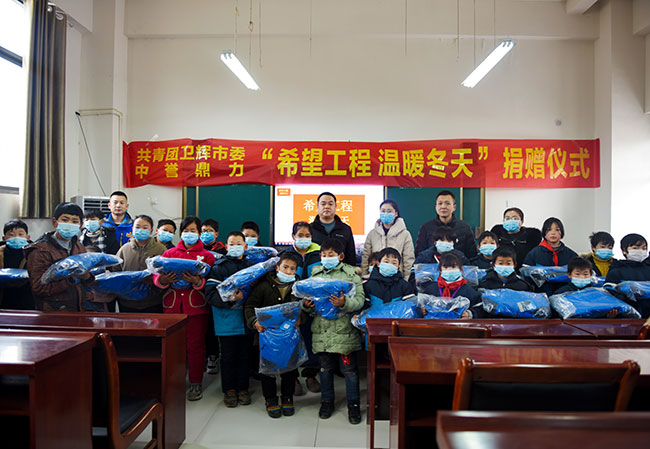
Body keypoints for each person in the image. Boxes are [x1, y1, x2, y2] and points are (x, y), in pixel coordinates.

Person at [153, 216, 216, 401]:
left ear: (199, 233)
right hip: (172, 307)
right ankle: (174, 382)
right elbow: (156, 277)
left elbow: (211, 282)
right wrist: (163, 279)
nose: (189, 234)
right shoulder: (169, 253)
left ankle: (196, 382)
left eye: (193, 231)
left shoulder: (207, 256)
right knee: (172, 347)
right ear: (181, 233)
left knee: (195, 346)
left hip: (196, 307)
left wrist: (197, 281)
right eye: (186, 231)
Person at [303, 238, 364, 424]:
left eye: (331, 254)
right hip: (322, 331)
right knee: (325, 369)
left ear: (341, 256)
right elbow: (308, 304)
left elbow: (360, 301)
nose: (326, 258)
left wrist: (344, 303)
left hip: (345, 331)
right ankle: (327, 402)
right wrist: (307, 305)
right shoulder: (315, 275)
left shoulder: (351, 275)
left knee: (349, 370)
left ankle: (354, 405)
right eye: (323, 254)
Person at [244, 252, 304, 418]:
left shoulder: (298, 288)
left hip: (289, 338)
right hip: (266, 337)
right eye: (285, 267)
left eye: (292, 269)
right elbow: (249, 306)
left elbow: (304, 309)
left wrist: (302, 317)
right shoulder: (264, 286)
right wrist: (254, 322)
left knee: (289, 370)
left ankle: (287, 397)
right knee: (268, 370)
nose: (288, 271)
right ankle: (270, 399)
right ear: (277, 267)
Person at [205, 232, 255, 408]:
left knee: (245, 356)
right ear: (226, 246)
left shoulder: (253, 268)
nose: (235, 247)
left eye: (239, 244)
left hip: (246, 321)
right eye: (231, 244)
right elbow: (210, 295)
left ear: (245, 246)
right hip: (225, 322)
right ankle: (229, 390)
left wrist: (248, 295)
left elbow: (258, 293)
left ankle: (243, 388)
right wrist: (230, 299)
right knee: (227, 357)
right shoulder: (218, 267)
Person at [24, 202, 95, 311]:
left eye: (74, 221)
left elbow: (86, 279)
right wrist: (71, 278)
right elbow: (39, 288)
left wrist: (87, 277)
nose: (69, 224)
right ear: (55, 222)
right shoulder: (40, 250)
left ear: (80, 225)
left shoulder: (78, 246)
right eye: (65, 220)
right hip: (54, 311)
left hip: (77, 308)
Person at [281, 221, 322, 394]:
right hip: (290, 305)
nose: (304, 238)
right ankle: (293, 378)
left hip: (312, 306)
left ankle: (310, 375)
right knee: (291, 341)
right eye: (300, 235)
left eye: (307, 235)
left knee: (311, 340)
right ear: (293, 237)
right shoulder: (285, 255)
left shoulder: (319, 255)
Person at [114, 214, 166, 313]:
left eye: (145, 228)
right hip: (127, 302)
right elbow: (116, 271)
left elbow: (166, 272)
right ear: (132, 229)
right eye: (137, 227)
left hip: (153, 302)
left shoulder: (160, 249)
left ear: (151, 231)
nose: (141, 230)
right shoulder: (124, 249)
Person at [361, 199, 415, 280]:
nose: (385, 214)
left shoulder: (405, 234)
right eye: (383, 211)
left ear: (396, 213)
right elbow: (366, 257)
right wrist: (364, 277)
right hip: (375, 278)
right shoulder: (372, 234)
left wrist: (407, 280)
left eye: (389, 211)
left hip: (397, 279)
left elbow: (408, 260)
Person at [414, 190, 477, 259]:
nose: (443, 206)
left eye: (447, 203)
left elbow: (472, 255)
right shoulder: (426, 227)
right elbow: (419, 254)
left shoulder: (465, 227)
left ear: (454, 207)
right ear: (436, 207)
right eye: (440, 203)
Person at [421, 252, 481, 318]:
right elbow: (422, 306)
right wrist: (422, 310)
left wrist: (469, 313)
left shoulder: (469, 291)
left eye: (453, 267)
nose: (449, 270)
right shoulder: (431, 288)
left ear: (461, 269)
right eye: (445, 267)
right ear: (440, 269)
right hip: (434, 323)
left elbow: (479, 309)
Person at [310, 192, 356, 266]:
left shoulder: (345, 229)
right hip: (315, 270)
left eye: (330, 204)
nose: (327, 207)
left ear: (335, 207)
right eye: (323, 204)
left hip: (341, 271)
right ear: (317, 206)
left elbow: (351, 255)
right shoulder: (310, 229)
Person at [0, 219, 34, 309]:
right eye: (11, 235)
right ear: (4, 238)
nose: (16, 237)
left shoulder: (34, 253)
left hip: (27, 299)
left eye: (20, 234)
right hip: (3, 298)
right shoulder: (1, 253)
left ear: (28, 237)